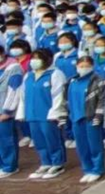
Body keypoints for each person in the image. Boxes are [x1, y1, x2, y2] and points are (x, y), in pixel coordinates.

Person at [17, 49, 67, 179]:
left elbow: (58, 95)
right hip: (32, 114)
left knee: (51, 138)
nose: (35, 61)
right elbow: (23, 95)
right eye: (33, 58)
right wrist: (21, 112)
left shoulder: (55, 74)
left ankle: (57, 163)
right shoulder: (28, 76)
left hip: (48, 114)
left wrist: (55, 112)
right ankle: (45, 162)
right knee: (38, 140)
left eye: (38, 58)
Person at [67, 55, 105, 182]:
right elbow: (66, 99)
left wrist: (98, 115)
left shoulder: (97, 80)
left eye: (87, 66)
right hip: (76, 117)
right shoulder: (72, 81)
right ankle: (87, 169)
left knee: (94, 144)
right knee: (81, 146)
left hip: (91, 116)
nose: (84, 68)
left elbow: (102, 99)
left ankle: (97, 169)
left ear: (92, 67)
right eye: (81, 66)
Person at [0, 44, 24, 178]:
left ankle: (9, 166)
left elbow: (14, 91)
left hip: (5, 111)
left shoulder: (14, 68)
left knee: (6, 139)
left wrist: (7, 111)